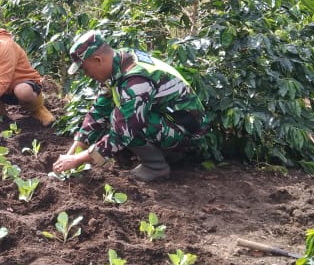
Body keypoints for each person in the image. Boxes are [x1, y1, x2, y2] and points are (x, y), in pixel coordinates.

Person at [52, 31, 208, 182]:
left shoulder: (135, 80)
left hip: (187, 132)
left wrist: (78, 159)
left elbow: (122, 132)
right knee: (118, 116)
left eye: (85, 69)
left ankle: (156, 167)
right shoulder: (120, 60)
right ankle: (157, 155)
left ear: (98, 60)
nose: (86, 74)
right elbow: (99, 111)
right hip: (168, 118)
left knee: (122, 120)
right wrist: (72, 153)